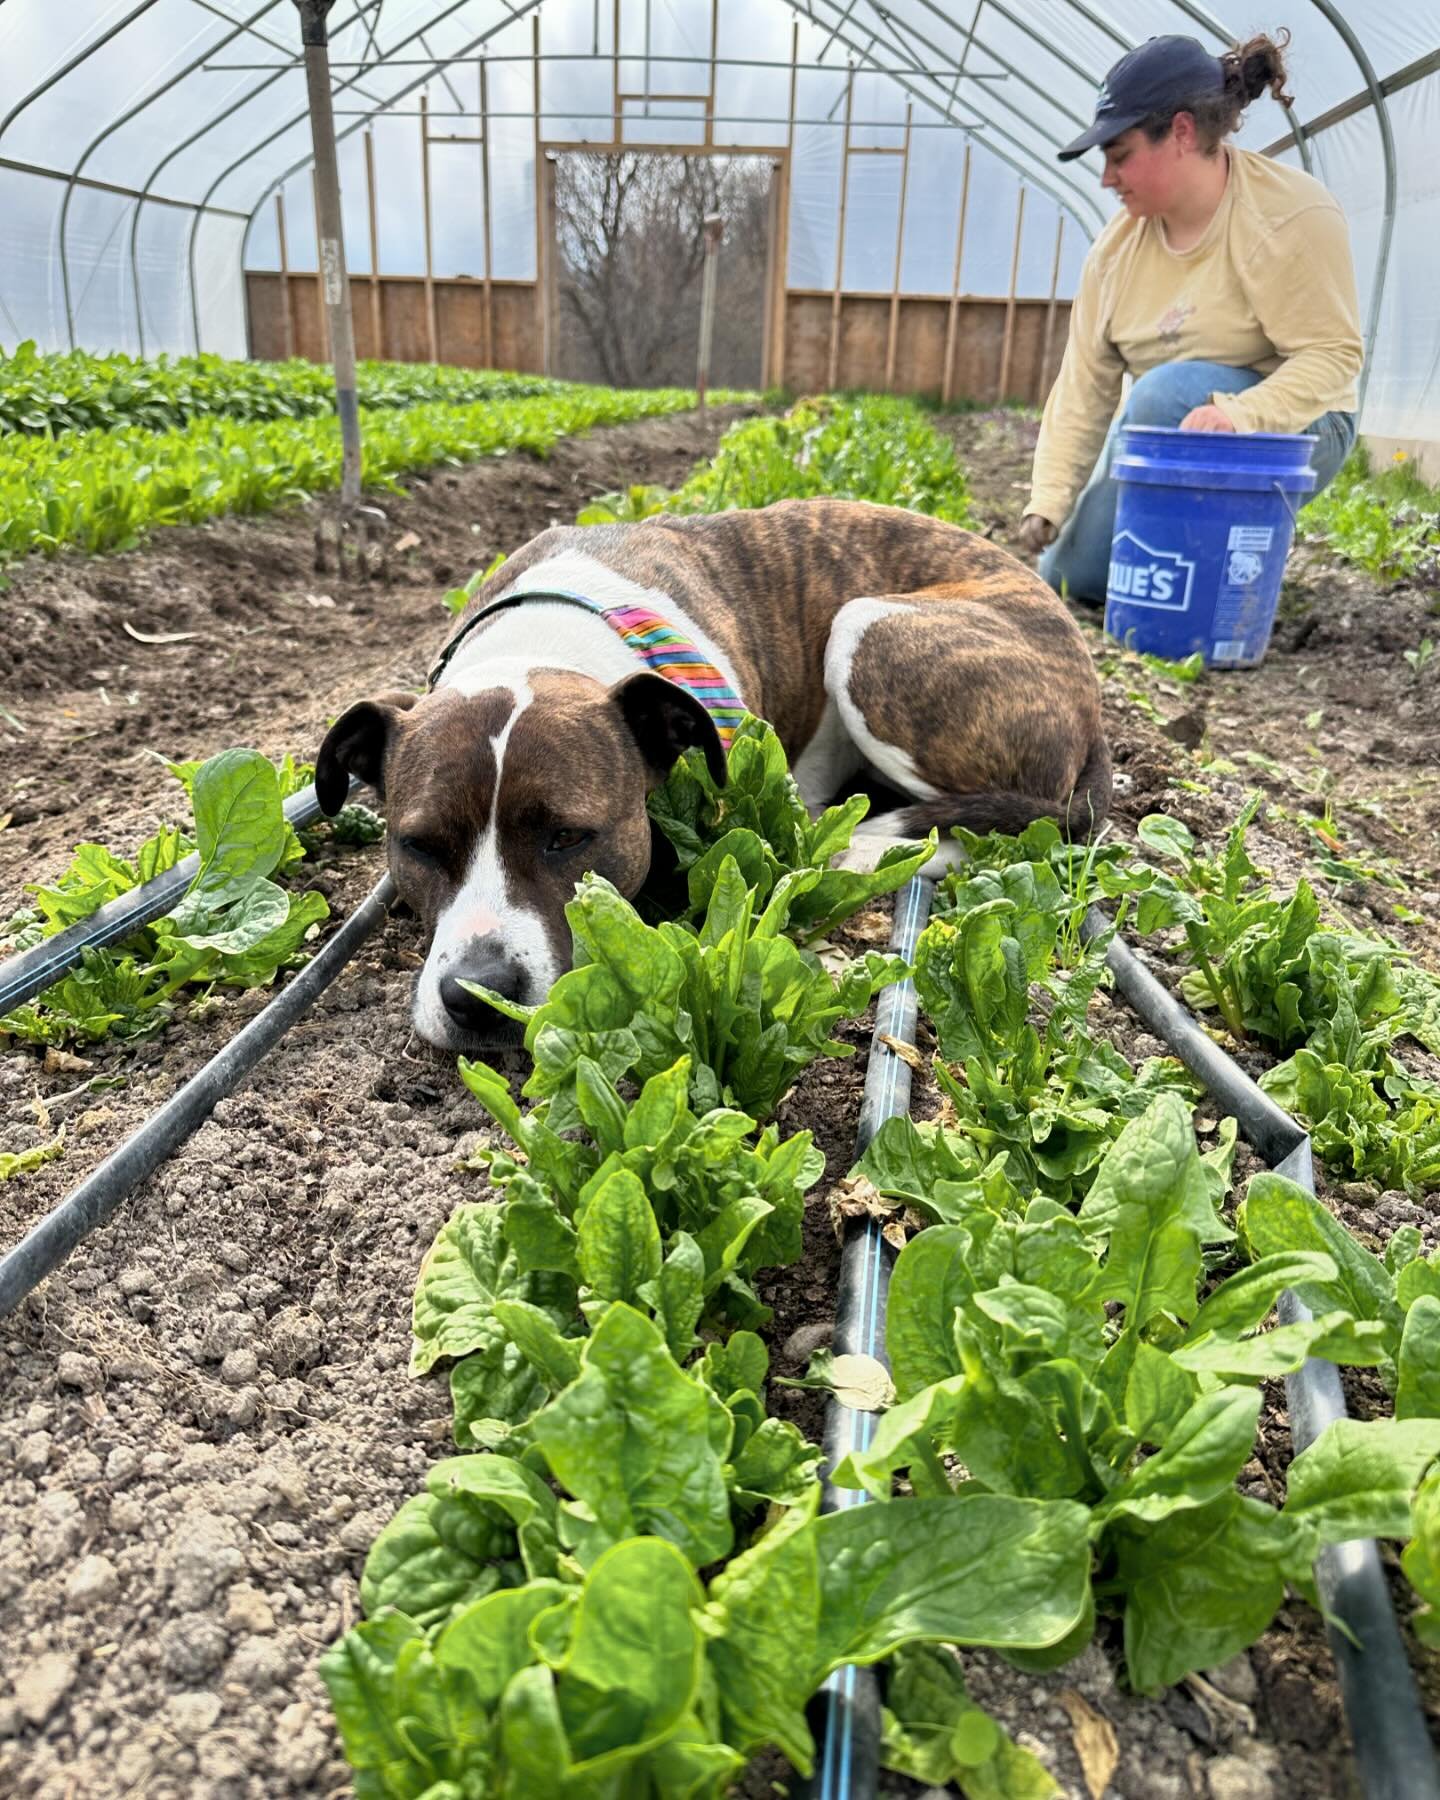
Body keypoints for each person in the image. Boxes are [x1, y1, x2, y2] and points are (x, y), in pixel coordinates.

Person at [1018, 32, 1362, 604]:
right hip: (1173, 428)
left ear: (1180, 132)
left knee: (1160, 394)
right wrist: (1048, 501)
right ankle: (1183, 556)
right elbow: (1083, 388)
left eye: (1120, 155)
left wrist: (1239, 414)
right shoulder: (1113, 256)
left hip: (1299, 429)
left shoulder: (1288, 215)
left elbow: (1334, 356)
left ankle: (1215, 568)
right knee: (1066, 578)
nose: (1107, 178)